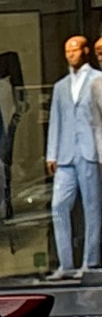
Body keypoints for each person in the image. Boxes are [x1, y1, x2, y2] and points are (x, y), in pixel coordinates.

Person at [45, 34, 102, 281]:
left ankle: (90, 261)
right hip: (66, 153)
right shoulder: (60, 86)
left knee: (92, 206)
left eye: (75, 50)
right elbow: (55, 120)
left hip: (90, 150)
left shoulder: (98, 79)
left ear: (85, 51)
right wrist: (52, 153)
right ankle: (65, 263)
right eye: (67, 50)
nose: (70, 54)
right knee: (59, 205)